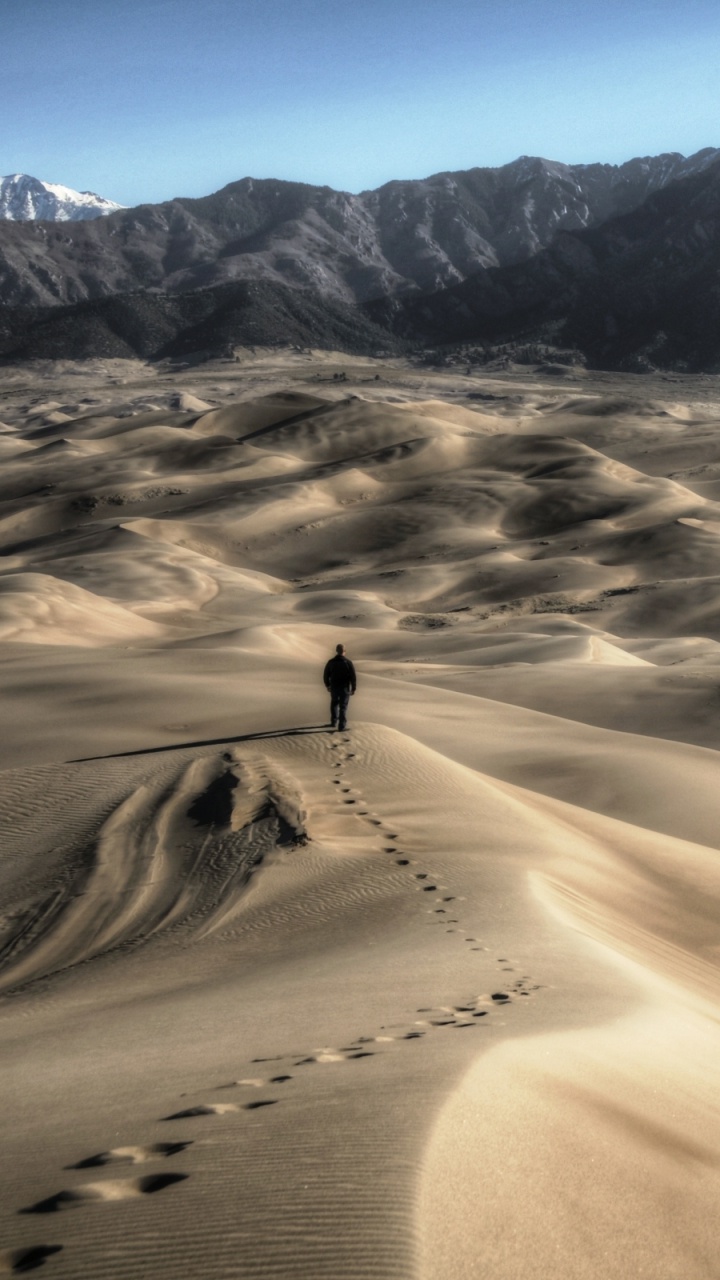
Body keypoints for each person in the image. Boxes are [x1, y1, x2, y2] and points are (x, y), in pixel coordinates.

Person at [323, 643, 357, 731]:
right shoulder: (348, 663)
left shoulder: (331, 662)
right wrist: (353, 688)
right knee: (343, 706)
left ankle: (333, 722)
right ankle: (341, 726)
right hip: (345, 688)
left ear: (336, 651)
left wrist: (327, 685)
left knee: (334, 703)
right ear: (344, 651)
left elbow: (326, 675)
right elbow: (353, 676)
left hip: (334, 688)